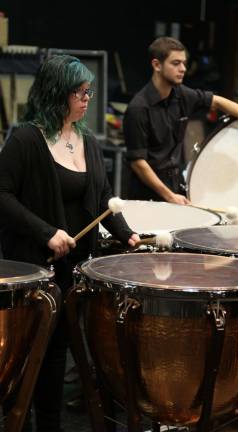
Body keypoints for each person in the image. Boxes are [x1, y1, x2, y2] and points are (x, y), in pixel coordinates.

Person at [0, 54, 140, 432]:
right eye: (80, 91)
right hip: (33, 272)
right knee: (27, 363)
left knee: (57, 361)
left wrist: (126, 232)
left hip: (69, 275)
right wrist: (46, 231)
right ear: (56, 93)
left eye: (88, 91)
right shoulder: (27, 139)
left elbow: (104, 199)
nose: (87, 97)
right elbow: (2, 195)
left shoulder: (88, 142)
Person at [123, 36, 238, 205]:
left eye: (184, 63)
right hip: (146, 195)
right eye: (176, 63)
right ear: (157, 65)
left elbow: (218, 101)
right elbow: (138, 163)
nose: (183, 68)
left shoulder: (181, 94)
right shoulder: (138, 108)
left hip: (174, 187)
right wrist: (169, 196)